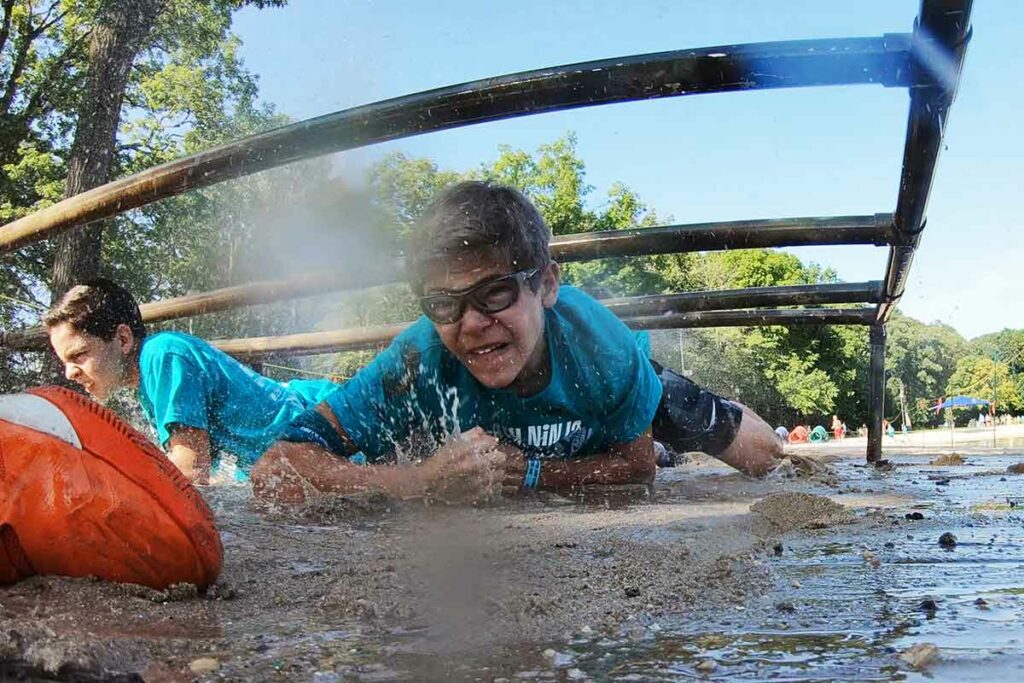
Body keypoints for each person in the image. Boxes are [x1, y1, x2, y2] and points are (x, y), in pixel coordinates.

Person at [252, 181, 783, 507]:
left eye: (495, 293)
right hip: (575, 427)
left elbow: (637, 467)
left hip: (619, 387)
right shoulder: (417, 359)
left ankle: (725, 414)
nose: (471, 325)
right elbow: (274, 468)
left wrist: (526, 472)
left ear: (547, 285)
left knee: (764, 456)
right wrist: (415, 481)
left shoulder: (606, 350)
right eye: (444, 303)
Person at [44, 279, 336, 484]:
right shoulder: (147, 378)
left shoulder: (163, 355)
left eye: (79, 355)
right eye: (65, 362)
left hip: (329, 432)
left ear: (122, 338)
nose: (70, 372)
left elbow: (191, 471)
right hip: (303, 435)